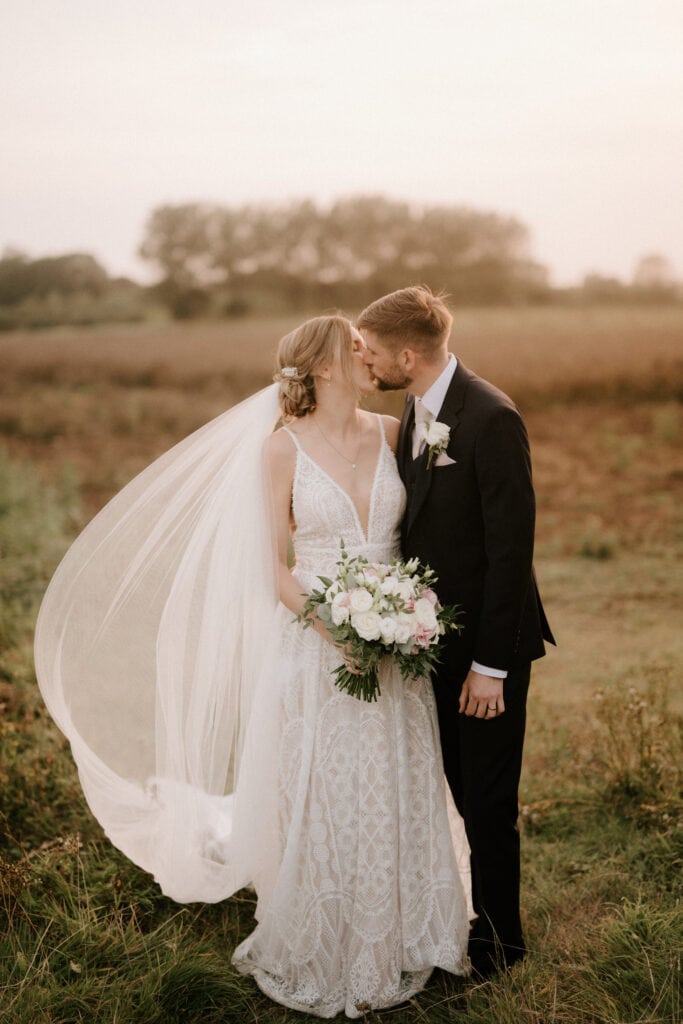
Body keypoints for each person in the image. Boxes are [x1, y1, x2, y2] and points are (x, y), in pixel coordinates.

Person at [34, 314, 471, 1019]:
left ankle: (401, 929)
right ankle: (324, 932)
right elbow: (273, 565)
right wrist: (336, 628)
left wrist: (404, 617)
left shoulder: (397, 434)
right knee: (323, 784)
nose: (369, 356)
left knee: (395, 777)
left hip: (398, 644)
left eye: (368, 347)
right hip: (314, 641)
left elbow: (427, 536)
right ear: (322, 368)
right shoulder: (280, 452)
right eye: (353, 348)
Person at [358, 287, 555, 978]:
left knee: (487, 799)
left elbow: (510, 553)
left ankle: (501, 948)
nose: (367, 363)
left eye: (374, 353)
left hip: (484, 650)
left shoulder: (491, 418)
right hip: (431, 639)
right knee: (450, 787)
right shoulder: (415, 406)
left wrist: (490, 668)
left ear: (407, 354)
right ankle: (457, 918)